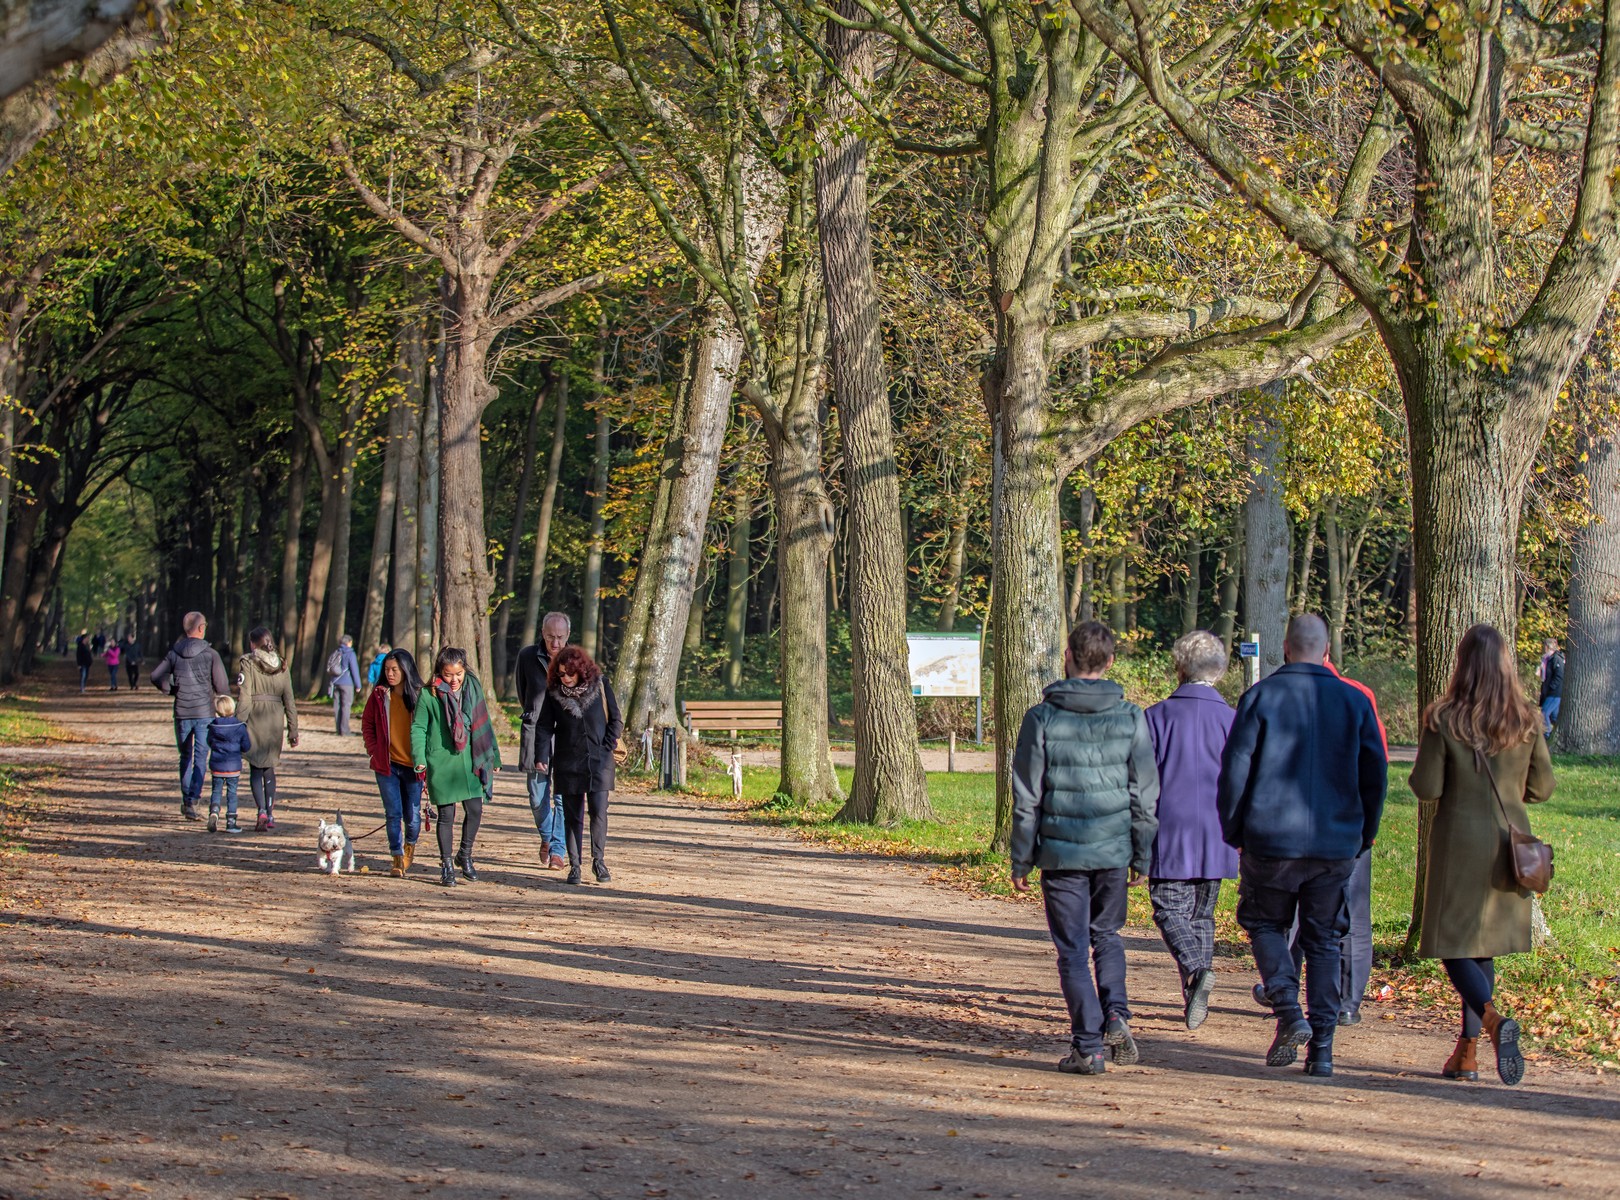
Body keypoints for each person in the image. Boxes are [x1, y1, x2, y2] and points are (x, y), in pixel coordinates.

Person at [1217, 614, 1387, 1078]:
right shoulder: (1355, 701)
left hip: (1270, 840)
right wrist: (1363, 834)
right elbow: (1376, 777)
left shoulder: (1260, 697)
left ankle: (1289, 1010)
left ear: (1286, 648)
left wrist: (1234, 830)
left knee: (1265, 923)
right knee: (1325, 939)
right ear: (1325, 649)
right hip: (1336, 843)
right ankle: (1323, 1048)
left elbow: (1235, 773)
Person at [1009, 620, 1159, 1076]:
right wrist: (1142, 851)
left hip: (1061, 854)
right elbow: (1144, 793)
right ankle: (1116, 1013)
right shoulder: (1132, 716)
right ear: (1111, 661)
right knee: (1107, 937)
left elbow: (1026, 795)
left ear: (1068, 657)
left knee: (1072, 950)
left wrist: (1021, 857)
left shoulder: (1042, 718)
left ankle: (1089, 1047)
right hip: (1113, 849)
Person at [1410, 624, 1554, 1088]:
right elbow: (1542, 788)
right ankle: (1466, 1055)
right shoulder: (1528, 718)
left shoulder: (1445, 717)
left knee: (1452, 944)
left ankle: (1489, 1023)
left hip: (1457, 846)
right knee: (1483, 947)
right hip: (1509, 846)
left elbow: (1427, 787)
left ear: (1462, 664)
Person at [1142, 630, 1236, 1031]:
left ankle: (1197, 972)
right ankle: (1195, 988)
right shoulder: (1233, 719)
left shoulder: (1156, 716)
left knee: (1167, 906)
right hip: (1218, 827)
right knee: (1202, 914)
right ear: (1219, 670)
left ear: (1179, 667)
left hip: (1170, 826)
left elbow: (1142, 780)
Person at [533, 645, 624, 886]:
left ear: (581, 670)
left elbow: (615, 718)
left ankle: (599, 860)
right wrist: (542, 754)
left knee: (598, 811)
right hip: (568, 761)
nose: (566, 678)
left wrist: (607, 744)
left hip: (599, 760)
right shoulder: (553, 693)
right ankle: (574, 865)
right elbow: (543, 726)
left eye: (570, 673)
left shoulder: (601, 685)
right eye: (561, 674)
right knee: (572, 815)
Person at [412, 647, 500, 887]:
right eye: (448, 674)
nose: (454, 680)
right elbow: (419, 727)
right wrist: (419, 756)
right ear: (440, 672)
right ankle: (447, 864)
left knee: (475, 810)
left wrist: (495, 756)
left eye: (458, 674)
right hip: (441, 762)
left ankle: (465, 854)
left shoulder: (473, 687)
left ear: (464, 670)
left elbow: (484, 724)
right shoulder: (428, 695)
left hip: (472, 759)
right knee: (446, 815)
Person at [149, 612, 231, 821]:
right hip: (204, 713)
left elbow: (156, 676)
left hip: (182, 712)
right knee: (200, 757)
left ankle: (187, 800)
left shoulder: (174, 653)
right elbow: (222, 686)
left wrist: (172, 689)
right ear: (201, 628)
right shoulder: (211, 654)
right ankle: (193, 799)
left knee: (185, 756)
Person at [361, 648, 425, 878]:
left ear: (406, 670)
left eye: (394, 670)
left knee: (413, 815)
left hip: (414, 767)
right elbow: (367, 723)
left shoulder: (421, 695)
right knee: (392, 813)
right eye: (387, 669)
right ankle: (397, 856)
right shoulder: (379, 695)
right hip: (386, 765)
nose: (389, 674)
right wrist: (373, 749)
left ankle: (410, 845)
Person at [516, 612, 573, 869]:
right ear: (542, 633)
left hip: (565, 737)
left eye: (560, 637)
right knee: (537, 797)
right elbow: (522, 691)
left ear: (568, 636)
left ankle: (558, 850)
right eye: (550, 636)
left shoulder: (576, 660)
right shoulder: (527, 656)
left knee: (562, 797)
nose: (555, 643)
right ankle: (547, 837)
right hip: (535, 734)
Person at [236, 626, 300, 832]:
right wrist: (293, 729)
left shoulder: (248, 662)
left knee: (256, 767)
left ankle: (261, 810)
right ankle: (270, 813)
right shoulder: (282, 665)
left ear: (253, 643)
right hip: (274, 718)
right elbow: (289, 699)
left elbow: (244, 697)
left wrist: (238, 723)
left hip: (255, 716)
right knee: (269, 767)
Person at [205, 694, 251, 834]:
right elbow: (246, 746)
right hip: (233, 766)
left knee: (216, 790)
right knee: (232, 793)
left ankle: (214, 812)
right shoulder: (240, 726)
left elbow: (209, 742)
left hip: (217, 765)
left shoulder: (213, 726)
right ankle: (231, 822)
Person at [327, 634, 363, 736]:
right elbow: (354, 670)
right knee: (346, 706)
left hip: (335, 682)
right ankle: (345, 730)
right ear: (349, 642)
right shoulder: (350, 653)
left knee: (337, 706)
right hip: (347, 683)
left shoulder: (336, 652)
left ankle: (338, 729)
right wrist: (358, 685)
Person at [1537, 638, 1563, 735]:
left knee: (1544, 713)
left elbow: (1559, 675)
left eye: (1545, 646)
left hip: (1554, 692)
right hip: (1549, 692)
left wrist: (1551, 687)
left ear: (1548, 647)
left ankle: (1547, 733)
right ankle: (1557, 734)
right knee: (1554, 717)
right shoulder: (1547, 659)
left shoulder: (1556, 659)